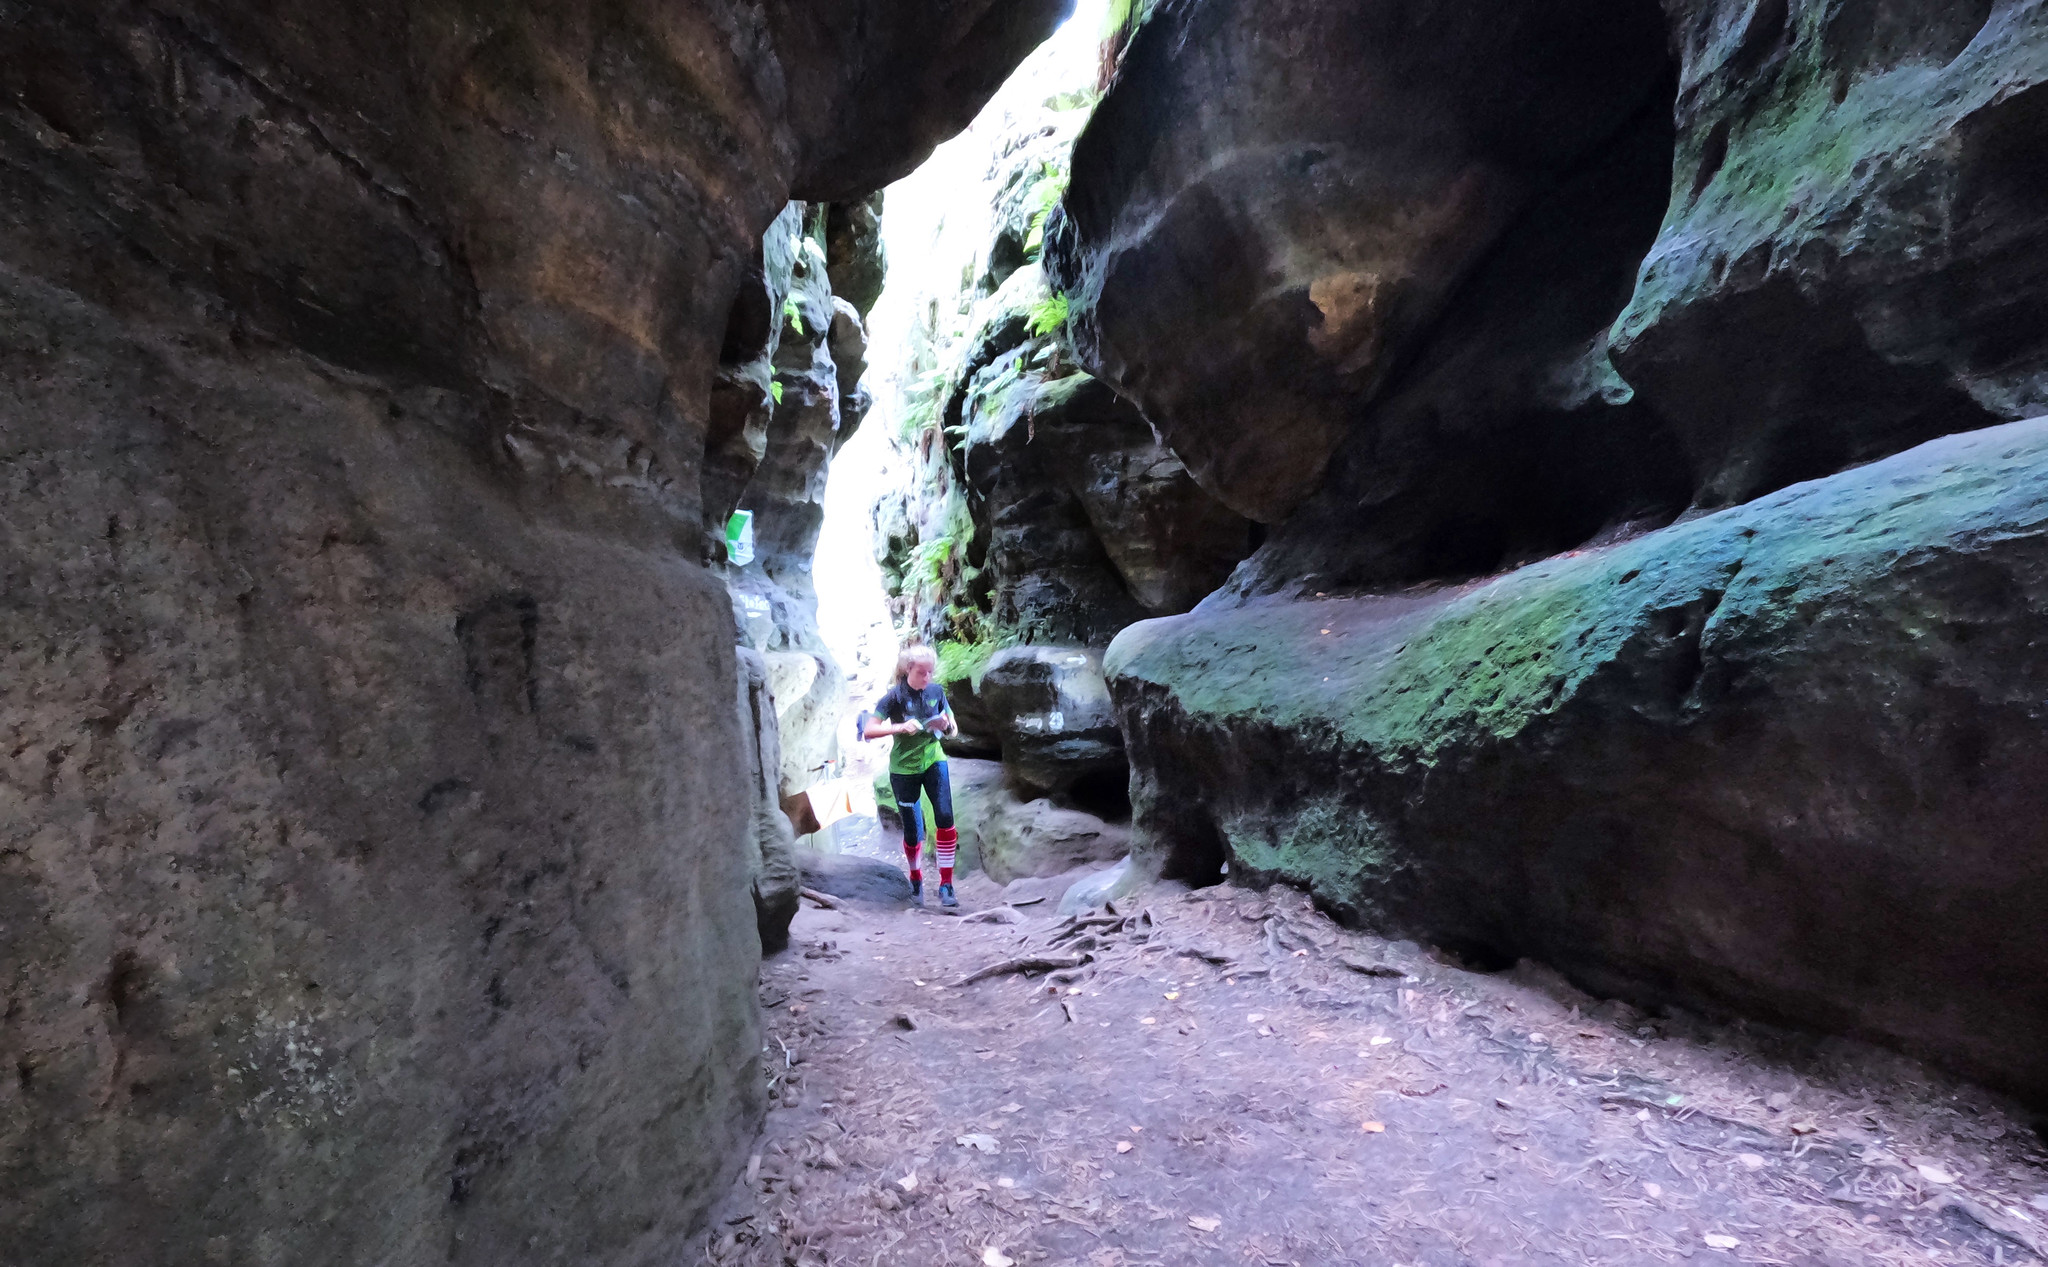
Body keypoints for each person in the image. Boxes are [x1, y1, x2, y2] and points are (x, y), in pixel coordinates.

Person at [860, 645, 958, 907]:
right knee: (913, 831)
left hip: (934, 761)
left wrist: (945, 725)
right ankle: (916, 879)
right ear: (907, 670)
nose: (927, 677)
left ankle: (946, 885)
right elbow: (869, 731)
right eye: (921, 672)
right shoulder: (893, 697)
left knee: (945, 818)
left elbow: (953, 728)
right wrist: (900, 727)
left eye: (930, 672)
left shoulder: (936, 692)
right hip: (904, 769)